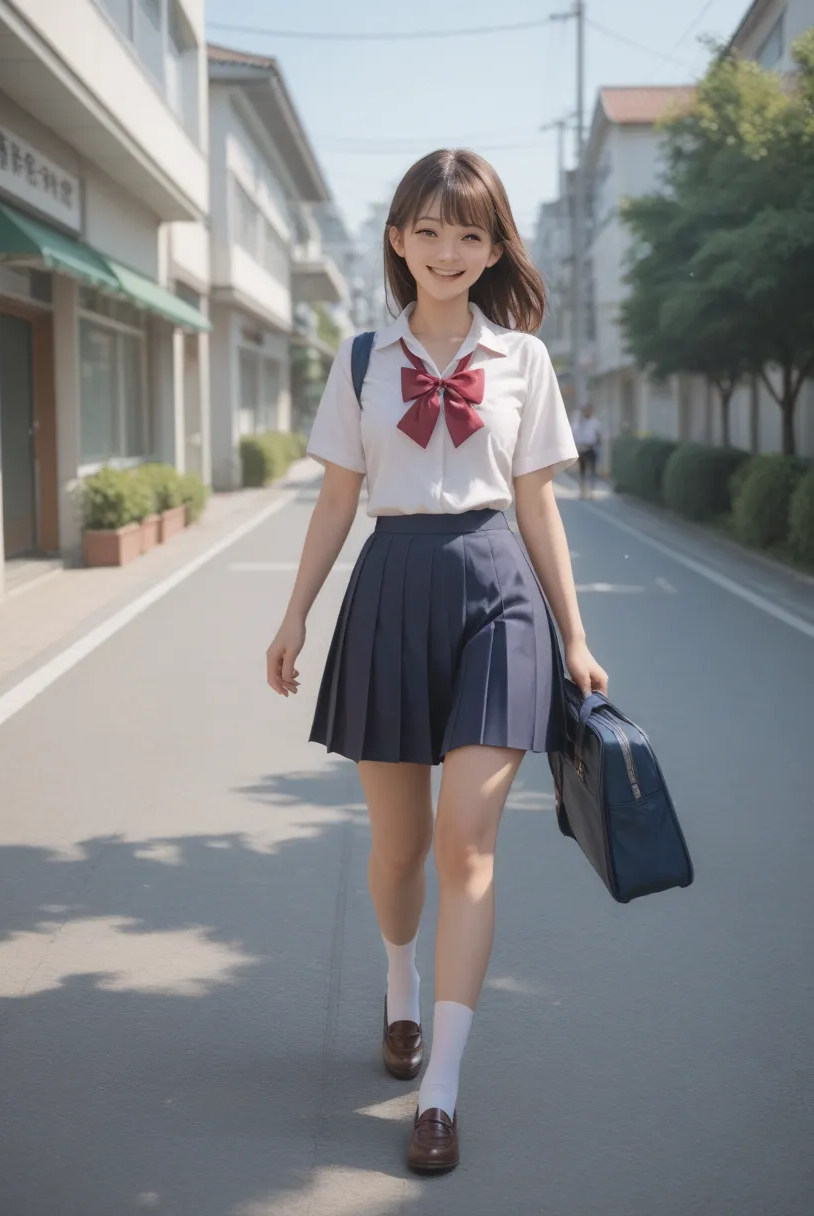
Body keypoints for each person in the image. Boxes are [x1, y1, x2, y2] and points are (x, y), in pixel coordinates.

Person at [266, 149, 608, 1175]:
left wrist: (576, 635)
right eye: (429, 230)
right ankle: (401, 985)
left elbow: (539, 501)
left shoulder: (525, 360)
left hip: (497, 589)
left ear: (495, 247)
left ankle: (441, 1092)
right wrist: (294, 616)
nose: (448, 250)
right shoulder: (362, 356)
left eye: (470, 234)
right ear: (397, 239)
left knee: (466, 846)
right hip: (391, 587)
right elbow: (335, 497)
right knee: (400, 850)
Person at [572, 404, 603, 499]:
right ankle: (582, 492)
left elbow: (599, 437)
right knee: (582, 471)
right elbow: (576, 434)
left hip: (591, 449)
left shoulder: (596, 423)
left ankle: (591, 492)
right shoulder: (580, 423)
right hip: (581, 449)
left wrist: (594, 444)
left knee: (592, 471)